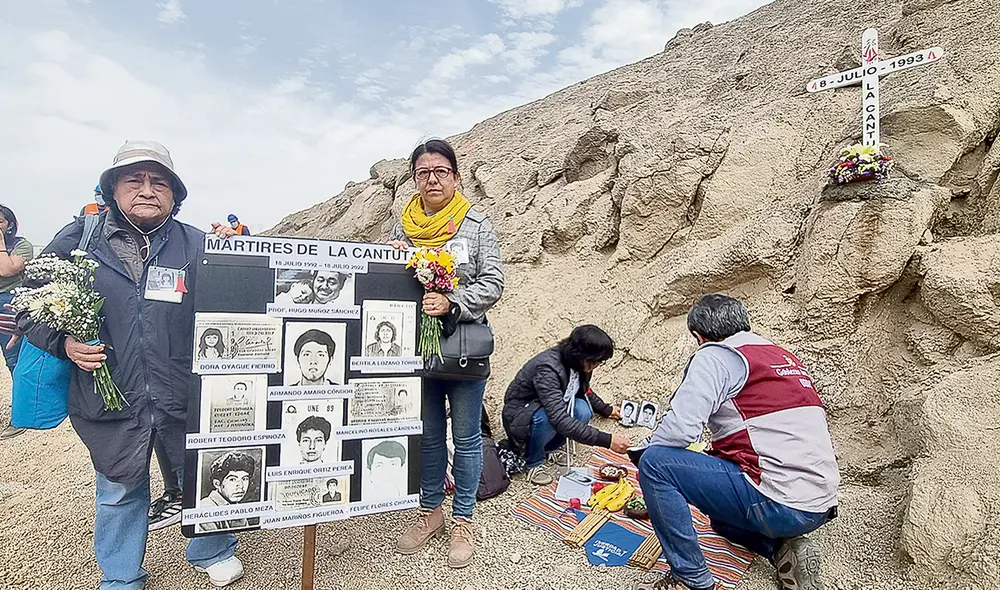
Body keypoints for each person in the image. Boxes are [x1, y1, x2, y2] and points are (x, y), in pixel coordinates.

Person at [16, 140, 244, 588]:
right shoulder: (76, 238)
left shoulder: (198, 243)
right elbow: (29, 310)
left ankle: (212, 548)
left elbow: (238, 307)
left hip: (183, 389)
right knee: (119, 486)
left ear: (175, 196)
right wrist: (65, 344)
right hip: (109, 390)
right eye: (133, 180)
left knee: (201, 472)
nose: (147, 190)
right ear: (113, 189)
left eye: (159, 182)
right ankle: (121, 575)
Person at [635, 294, 839, 590]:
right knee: (719, 519)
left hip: (778, 503)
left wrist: (645, 449)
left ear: (699, 336)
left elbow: (681, 429)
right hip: (819, 505)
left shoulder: (715, 355)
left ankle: (690, 578)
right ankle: (780, 549)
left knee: (656, 464)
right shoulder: (779, 354)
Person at [389, 138, 504, 569]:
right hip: (415, 347)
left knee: (467, 437)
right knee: (430, 434)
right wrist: (392, 264)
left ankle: (464, 519)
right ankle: (430, 511)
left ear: (455, 176)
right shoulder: (402, 226)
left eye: (441, 171)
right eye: (423, 172)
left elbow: (494, 281)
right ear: (414, 180)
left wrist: (453, 302)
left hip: (463, 346)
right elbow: (388, 283)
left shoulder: (475, 225)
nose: (432, 179)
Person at [501, 325, 630, 486]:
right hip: (521, 416)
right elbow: (560, 419)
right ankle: (533, 461)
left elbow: (583, 390)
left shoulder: (580, 364)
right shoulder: (548, 369)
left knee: (583, 410)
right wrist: (608, 440)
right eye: (596, 361)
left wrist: (606, 409)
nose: (597, 365)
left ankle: (550, 447)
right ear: (582, 355)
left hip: (546, 408)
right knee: (548, 418)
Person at [0, 205, 34, 440]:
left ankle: (21, 416)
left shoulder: (22, 246)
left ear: (9, 224)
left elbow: (7, 269)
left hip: (8, 304)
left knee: (14, 358)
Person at [199, 451, 257, 532]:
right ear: (217, 484)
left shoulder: (236, 508)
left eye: (244, 479)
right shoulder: (205, 509)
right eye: (233, 479)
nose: (240, 486)